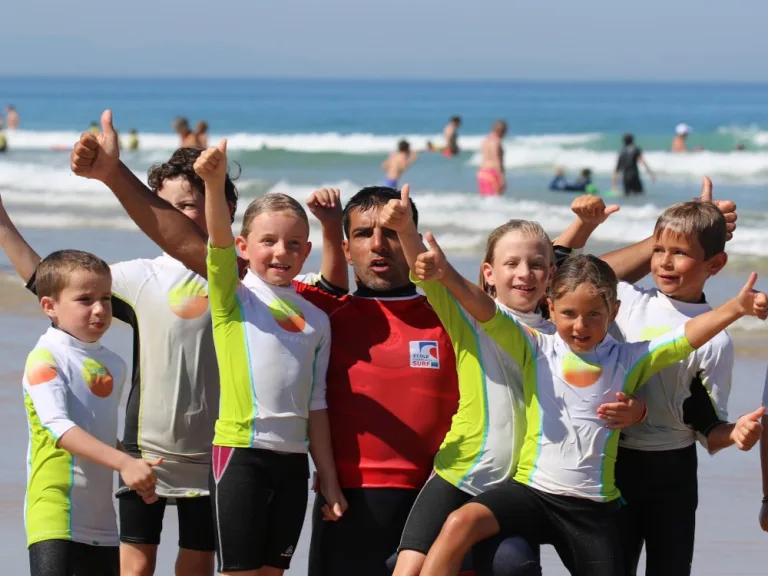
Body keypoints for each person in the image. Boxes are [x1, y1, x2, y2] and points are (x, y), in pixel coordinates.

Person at [68, 119, 461, 576]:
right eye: (363, 234)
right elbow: (193, 244)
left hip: (432, 493)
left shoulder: (443, 314)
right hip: (325, 490)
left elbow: (526, 296)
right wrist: (116, 175)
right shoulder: (290, 301)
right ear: (345, 248)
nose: (378, 245)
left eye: (393, 232)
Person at [412, 244, 766, 576]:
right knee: (460, 522)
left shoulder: (629, 359)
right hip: (531, 493)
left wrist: (735, 308)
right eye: (568, 313)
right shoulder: (536, 347)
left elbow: (686, 336)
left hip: (591, 510)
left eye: (594, 314)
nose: (580, 325)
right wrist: (447, 275)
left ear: (613, 311)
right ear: (550, 308)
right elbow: (486, 310)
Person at [2, 113, 243, 576]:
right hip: (143, 448)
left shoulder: (244, 278)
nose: (177, 217)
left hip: (213, 449)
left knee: (197, 566)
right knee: (133, 568)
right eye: (167, 207)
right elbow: (52, 281)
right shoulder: (140, 276)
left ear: (224, 207)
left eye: (190, 205)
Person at [382, 191, 645, 576]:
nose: (524, 273)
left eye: (536, 265)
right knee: (407, 569)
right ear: (489, 273)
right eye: (511, 264)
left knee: (515, 567)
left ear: (551, 276)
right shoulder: (468, 314)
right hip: (459, 473)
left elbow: (610, 368)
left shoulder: (564, 332)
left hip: (519, 488)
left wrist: (637, 410)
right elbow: (433, 274)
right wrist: (407, 231)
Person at [194, 140, 346, 575]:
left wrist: (329, 479)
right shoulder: (233, 299)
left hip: (294, 464)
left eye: (294, 243)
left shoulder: (318, 319)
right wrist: (212, 183)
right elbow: (217, 247)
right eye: (268, 241)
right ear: (244, 246)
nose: (281, 251)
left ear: (307, 249)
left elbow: (317, 404)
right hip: (240, 455)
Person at [599, 193, 766, 575]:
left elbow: (708, 430)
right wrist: (664, 236)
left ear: (716, 264)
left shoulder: (717, 341)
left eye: (680, 253)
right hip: (613, 462)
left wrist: (737, 432)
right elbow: (588, 271)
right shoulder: (626, 300)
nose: (664, 262)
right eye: (658, 250)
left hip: (671, 475)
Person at [21, 249, 160, 576]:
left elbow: (95, 429)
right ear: (49, 306)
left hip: (102, 523)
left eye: (106, 298)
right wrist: (124, 462)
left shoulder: (114, 363)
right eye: (85, 300)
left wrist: (131, 461)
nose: (100, 310)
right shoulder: (45, 358)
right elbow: (59, 428)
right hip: (55, 514)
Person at [477, 120, 507, 196]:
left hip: (482, 172)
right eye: (505, 131)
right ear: (500, 131)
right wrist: (502, 178)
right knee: (495, 200)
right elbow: (496, 159)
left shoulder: (485, 140)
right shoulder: (496, 141)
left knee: (485, 200)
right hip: (492, 174)